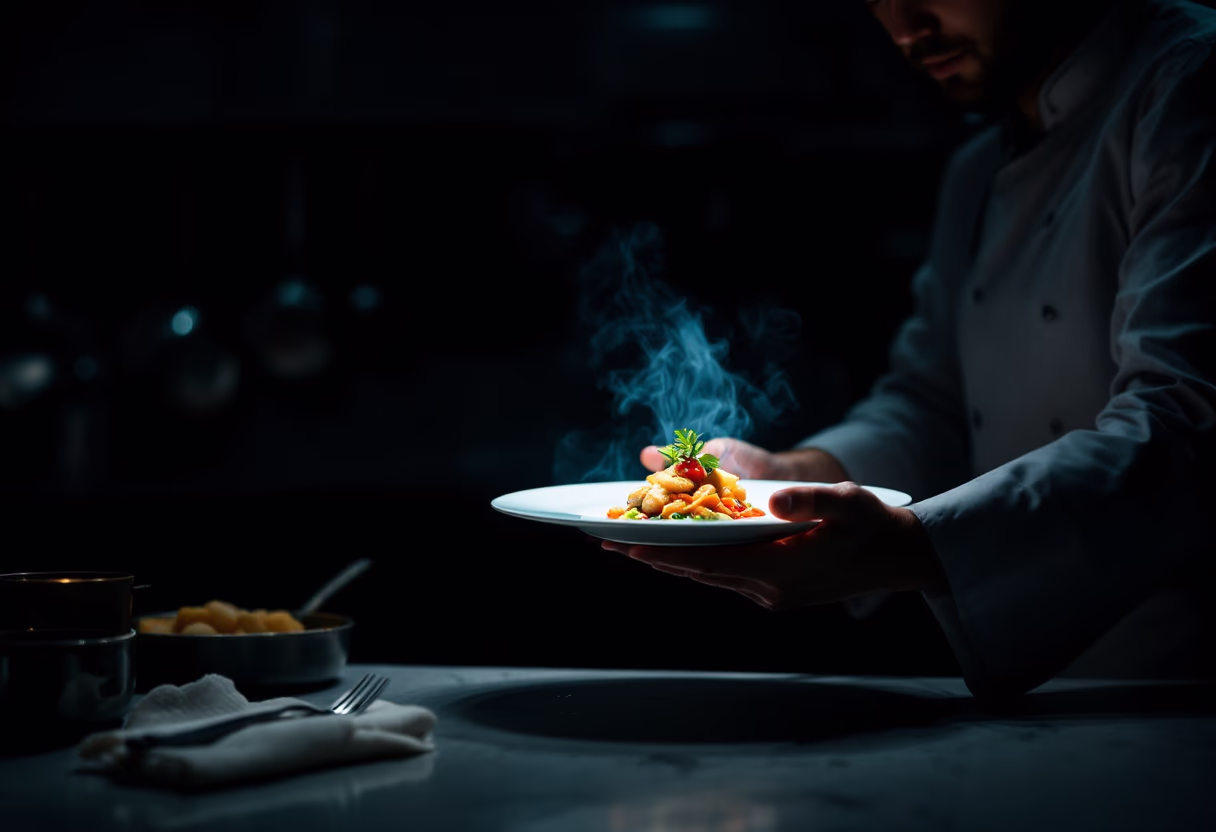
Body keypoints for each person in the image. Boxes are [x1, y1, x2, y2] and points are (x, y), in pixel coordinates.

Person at [601, 0, 1216, 700]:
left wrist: (914, 548)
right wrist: (788, 475)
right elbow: (935, 405)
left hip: (1187, 691)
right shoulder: (978, 169)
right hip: (1046, 695)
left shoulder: (1190, 82)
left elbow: (1189, 425)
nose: (904, 28)